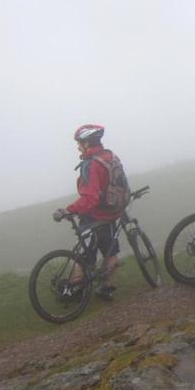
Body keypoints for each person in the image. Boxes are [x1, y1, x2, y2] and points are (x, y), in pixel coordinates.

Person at [52, 124, 122, 300]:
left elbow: (90, 198)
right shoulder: (110, 156)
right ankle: (106, 288)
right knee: (110, 253)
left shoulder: (91, 165)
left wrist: (68, 210)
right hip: (111, 213)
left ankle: (75, 290)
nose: (77, 146)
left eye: (79, 143)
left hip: (94, 217)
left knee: (83, 256)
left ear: (87, 143)